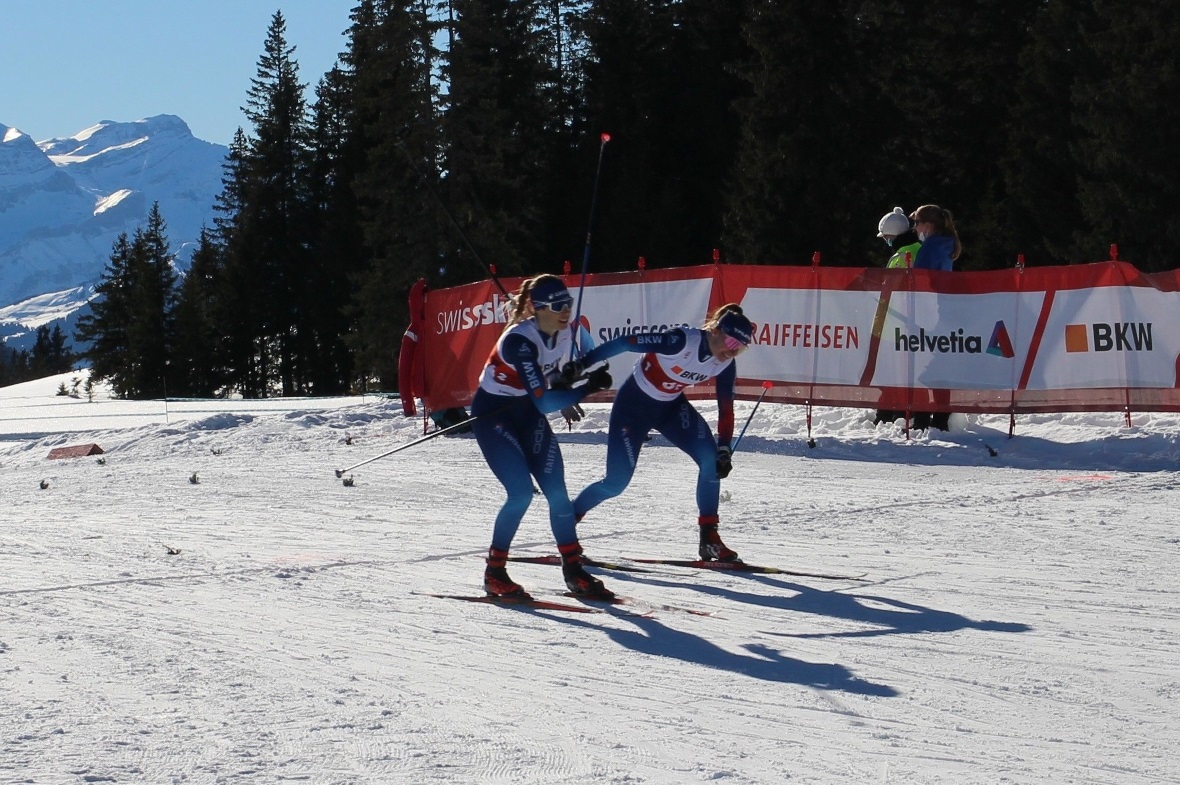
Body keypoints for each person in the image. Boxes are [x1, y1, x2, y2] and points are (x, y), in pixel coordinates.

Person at [564, 303, 754, 563]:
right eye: (732, 344)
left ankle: (709, 539)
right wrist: (583, 362)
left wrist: (724, 449)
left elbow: (726, 408)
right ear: (717, 331)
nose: (732, 353)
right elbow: (625, 342)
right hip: (632, 409)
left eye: (740, 350)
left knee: (710, 460)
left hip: (670, 409)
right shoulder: (679, 341)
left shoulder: (724, 365)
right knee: (615, 483)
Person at [471, 274, 613, 599]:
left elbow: (548, 376)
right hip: (494, 413)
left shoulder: (565, 332)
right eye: (558, 306)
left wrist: (565, 381)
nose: (566, 311)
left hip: (525, 410)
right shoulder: (518, 341)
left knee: (557, 491)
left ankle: (574, 569)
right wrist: (585, 388)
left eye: (569, 304)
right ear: (537, 308)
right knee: (520, 494)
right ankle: (495, 573)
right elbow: (545, 400)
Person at [909, 204, 962, 430]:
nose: (915, 229)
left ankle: (923, 421)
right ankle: (939, 420)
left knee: (924, 367)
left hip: (929, 312)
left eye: (917, 223)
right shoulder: (947, 244)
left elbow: (919, 281)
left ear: (928, 225)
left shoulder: (930, 246)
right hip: (944, 310)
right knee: (939, 367)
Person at [873, 207, 922, 425]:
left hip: (903, 321)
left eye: (886, 237)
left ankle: (895, 413)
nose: (885, 241)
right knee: (892, 371)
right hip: (896, 320)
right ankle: (889, 412)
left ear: (893, 235)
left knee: (897, 371)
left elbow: (899, 286)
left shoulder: (906, 253)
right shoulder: (905, 250)